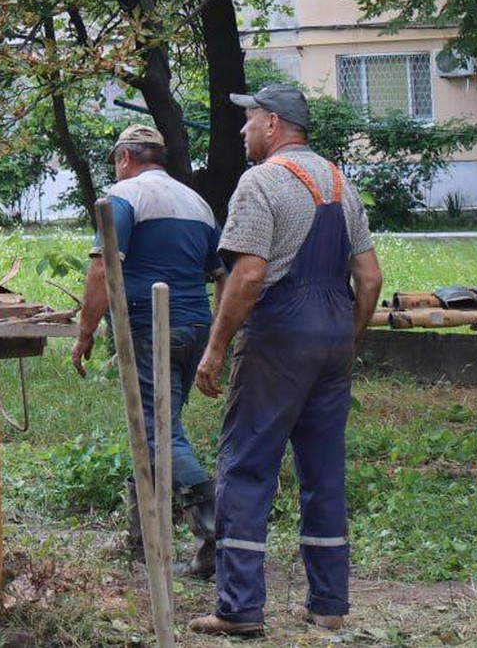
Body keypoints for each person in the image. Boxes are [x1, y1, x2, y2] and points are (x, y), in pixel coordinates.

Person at [188, 83, 382, 638]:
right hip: (332, 339)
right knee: (322, 471)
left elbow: (247, 276)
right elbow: (368, 278)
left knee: (246, 467)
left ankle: (240, 607)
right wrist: (347, 337)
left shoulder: (261, 182)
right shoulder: (342, 185)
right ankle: (328, 604)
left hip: (278, 338)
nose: (243, 130)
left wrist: (217, 347)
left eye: (248, 120)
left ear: (273, 125)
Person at [72, 122, 225, 573]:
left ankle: (221, 536)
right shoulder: (197, 203)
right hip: (195, 328)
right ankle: (141, 542)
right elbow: (222, 274)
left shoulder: (125, 197)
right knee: (155, 430)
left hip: (151, 328)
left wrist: (84, 333)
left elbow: (101, 270)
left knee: (158, 431)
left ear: (125, 158)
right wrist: (217, 336)